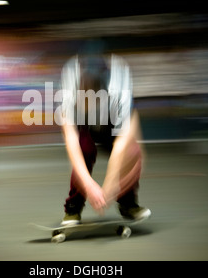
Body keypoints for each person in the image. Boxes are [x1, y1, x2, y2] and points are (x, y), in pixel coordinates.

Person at [59, 40, 151, 226]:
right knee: (84, 150)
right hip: (81, 121)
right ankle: (73, 208)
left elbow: (122, 143)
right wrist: (90, 186)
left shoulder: (119, 82)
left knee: (132, 152)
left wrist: (110, 185)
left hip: (113, 120)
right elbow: (70, 139)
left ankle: (127, 204)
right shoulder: (70, 76)